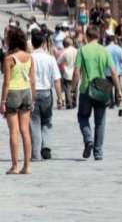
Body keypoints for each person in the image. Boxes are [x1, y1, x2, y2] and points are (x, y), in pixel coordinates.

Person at [71, 25, 122, 160]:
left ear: (87, 37)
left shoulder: (82, 50)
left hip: (86, 90)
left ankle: (88, 140)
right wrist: (118, 90)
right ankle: (98, 153)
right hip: (101, 90)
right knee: (100, 122)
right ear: (98, 37)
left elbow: (76, 72)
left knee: (82, 117)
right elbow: (113, 72)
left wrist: (72, 89)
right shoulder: (104, 51)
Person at [0, 26, 35, 174]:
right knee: (25, 131)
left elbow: (6, 82)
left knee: (13, 131)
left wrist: (2, 102)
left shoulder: (9, 58)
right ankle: (27, 166)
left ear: (11, 40)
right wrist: (33, 98)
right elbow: (33, 80)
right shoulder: (29, 57)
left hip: (13, 93)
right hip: (26, 92)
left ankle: (15, 166)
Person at [30, 30, 63, 161]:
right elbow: (56, 79)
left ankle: (35, 154)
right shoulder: (50, 59)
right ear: (44, 43)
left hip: (32, 93)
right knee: (47, 122)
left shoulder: (29, 58)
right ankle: (46, 146)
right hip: (46, 93)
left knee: (34, 123)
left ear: (32, 43)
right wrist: (60, 97)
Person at [105, 31, 122, 108]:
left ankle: (110, 103)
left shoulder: (105, 49)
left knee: (109, 88)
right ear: (114, 40)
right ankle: (117, 102)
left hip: (107, 72)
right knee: (117, 87)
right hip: (117, 71)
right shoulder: (119, 49)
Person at [57, 37, 78, 109]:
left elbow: (58, 61)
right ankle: (74, 102)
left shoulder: (65, 52)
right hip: (76, 72)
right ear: (71, 43)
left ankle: (69, 103)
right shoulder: (77, 51)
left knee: (67, 89)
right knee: (75, 88)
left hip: (67, 72)